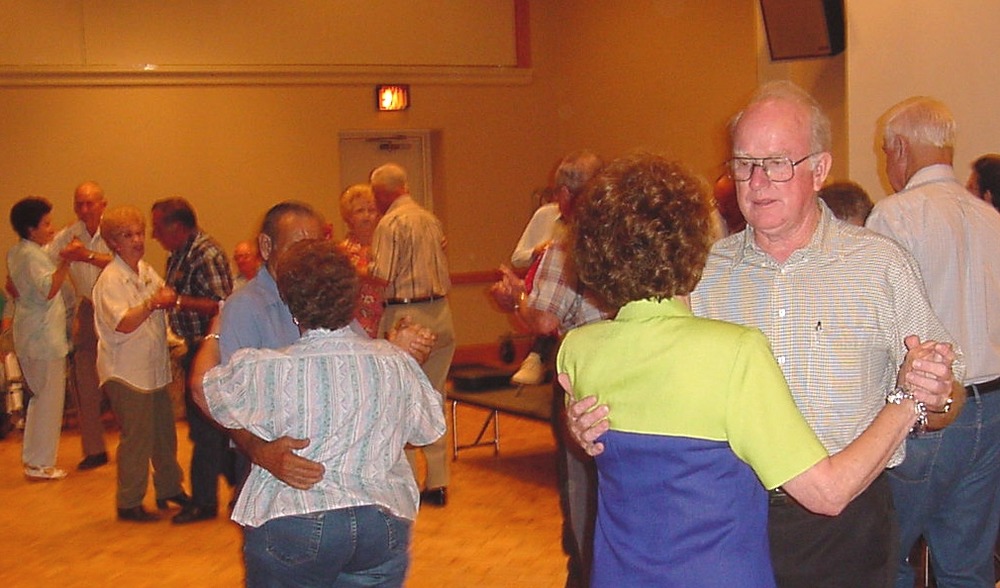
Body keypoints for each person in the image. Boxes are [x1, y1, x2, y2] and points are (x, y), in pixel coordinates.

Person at [566, 81, 962, 588]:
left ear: (820, 170)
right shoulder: (695, 273)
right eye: (744, 164)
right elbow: (626, 371)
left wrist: (930, 393)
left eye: (777, 163)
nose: (757, 182)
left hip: (847, 528)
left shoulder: (880, 266)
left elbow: (949, 400)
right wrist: (585, 422)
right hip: (731, 525)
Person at [199, 239, 446, 586]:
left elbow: (203, 388)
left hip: (294, 519)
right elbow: (427, 430)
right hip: (382, 522)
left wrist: (216, 327)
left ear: (291, 305)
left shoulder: (266, 369)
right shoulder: (393, 362)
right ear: (354, 299)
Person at [188, 201, 436, 494]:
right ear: (267, 246)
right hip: (275, 471)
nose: (311, 257)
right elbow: (226, 403)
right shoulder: (244, 307)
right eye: (299, 246)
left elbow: (355, 372)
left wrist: (397, 356)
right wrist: (261, 452)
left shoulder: (324, 295)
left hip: (336, 469)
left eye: (317, 246)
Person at [867, 96, 1000, 588]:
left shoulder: (895, 216)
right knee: (968, 564)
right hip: (994, 410)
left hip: (932, 412)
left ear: (899, 148)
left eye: (886, 151)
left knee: (887, 555)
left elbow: (880, 325)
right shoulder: (992, 218)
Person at [490, 150, 612, 588]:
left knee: (582, 491)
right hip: (635, 373)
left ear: (564, 195)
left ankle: (584, 576)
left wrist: (514, 301)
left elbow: (544, 320)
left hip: (582, 381)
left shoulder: (568, 245)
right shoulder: (627, 238)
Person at [92, 206, 189, 522]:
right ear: (113, 243)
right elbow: (123, 322)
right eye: (127, 235)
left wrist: (175, 340)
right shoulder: (111, 280)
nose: (136, 239)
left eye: (138, 232)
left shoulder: (146, 270)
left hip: (154, 369)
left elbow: (163, 306)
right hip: (126, 373)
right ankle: (129, 501)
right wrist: (151, 303)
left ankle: (169, 489)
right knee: (137, 439)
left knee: (164, 433)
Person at [370, 162, 455, 507]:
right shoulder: (430, 219)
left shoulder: (390, 224)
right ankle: (438, 480)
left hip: (406, 315)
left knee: (400, 397)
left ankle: (403, 483)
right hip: (441, 313)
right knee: (434, 396)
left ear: (380, 194)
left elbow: (382, 273)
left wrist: (356, 264)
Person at [151, 197, 233, 524]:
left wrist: (180, 301)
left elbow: (222, 306)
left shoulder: (206, 254)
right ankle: (240, 485)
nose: (154, 234)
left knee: (205, 429)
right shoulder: (181, 254)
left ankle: (204, 502)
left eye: (158, 227)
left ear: (178, 227)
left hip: (209, 348)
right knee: (211, 426)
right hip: (193, 346)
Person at [46, 181, 113, 471]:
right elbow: (43, 262)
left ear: (103, 204)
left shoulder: (115, 230)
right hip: (87, 308)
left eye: (90, 203)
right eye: (79, 204)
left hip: (116, 308)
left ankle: (137, 445)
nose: (84, 209)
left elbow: (127, 262)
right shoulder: (67, 236)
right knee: (84, 381)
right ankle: (94, 450)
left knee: (122, 383)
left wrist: (85, 256)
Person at [7, 197, 71, 480]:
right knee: (48, 401)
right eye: (45, 224)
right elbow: (49, 288)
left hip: (34, 336)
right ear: (31, 229)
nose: (50, 228)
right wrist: (66, 263)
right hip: (43, 340)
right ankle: (42, 462)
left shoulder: (20, 252)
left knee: (39, 399)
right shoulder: (31, 255)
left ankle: (34, 459)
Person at [507, 186, 561, 386]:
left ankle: (538, 355)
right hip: (544, 292)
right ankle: (537, 355)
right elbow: (518, 257)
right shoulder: (545, 215)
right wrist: (537, 251)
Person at [339, 184, 384, 338]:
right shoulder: (341, 251)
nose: (366, 216)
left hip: (387, 319)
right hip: (355, 323)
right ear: (349, 217)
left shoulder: (388, 246)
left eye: (371, 210)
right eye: (360, 211)